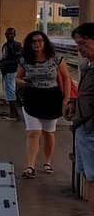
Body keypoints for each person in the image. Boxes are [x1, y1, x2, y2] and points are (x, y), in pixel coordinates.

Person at [15, 31, 70, 178]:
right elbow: (17, 78)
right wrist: (23, 83)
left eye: (40, 40)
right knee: (33, 132)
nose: (37, 44)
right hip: (32, 97)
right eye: (33, 41)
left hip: (52, 98)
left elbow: (66, 78)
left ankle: (48, 162)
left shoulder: (55, 58)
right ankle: (30, 166)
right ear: (29, 44)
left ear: (45, 42)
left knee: (49, 132)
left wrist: (66, 99)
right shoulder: (24, 60)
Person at [65, 22, 94, 216]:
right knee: (89, 179)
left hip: (91, 129)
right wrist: (74, 103)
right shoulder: (88, 66)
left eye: (83, 44)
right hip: (84, 128)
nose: (79, 49)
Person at [0, 26, 22, 120]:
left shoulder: (16, 45)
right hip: (6, 71)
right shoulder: (6, 45)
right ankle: (12, 112)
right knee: (8, 91)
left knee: (11, 91)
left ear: (14, 35)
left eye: (11, 34)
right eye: (7, 34)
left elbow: (18, 59)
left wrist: (4, 62)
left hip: (11, 71)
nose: (9, 35)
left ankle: (14, 114)